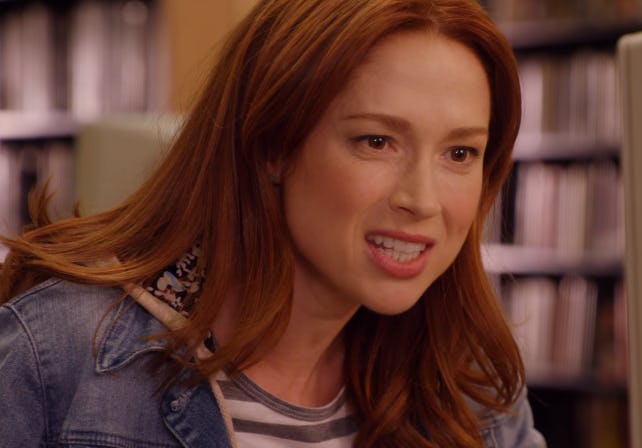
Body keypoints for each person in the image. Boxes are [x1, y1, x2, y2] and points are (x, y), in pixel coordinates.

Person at [0, 0, 547, 446]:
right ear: (272, 146)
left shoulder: (472, 394)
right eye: (377, 141)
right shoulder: (56, 354)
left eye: (460, 153)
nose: (423, 200)